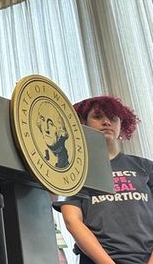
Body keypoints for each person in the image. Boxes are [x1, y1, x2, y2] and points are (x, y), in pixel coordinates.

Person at [58, 96, 153, 264]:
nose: (106, 122)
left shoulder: (145, 167)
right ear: (83, 124)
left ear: (122, 124)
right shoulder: (77, 171)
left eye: (113, 117)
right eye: (98, 116)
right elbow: (72, 220)